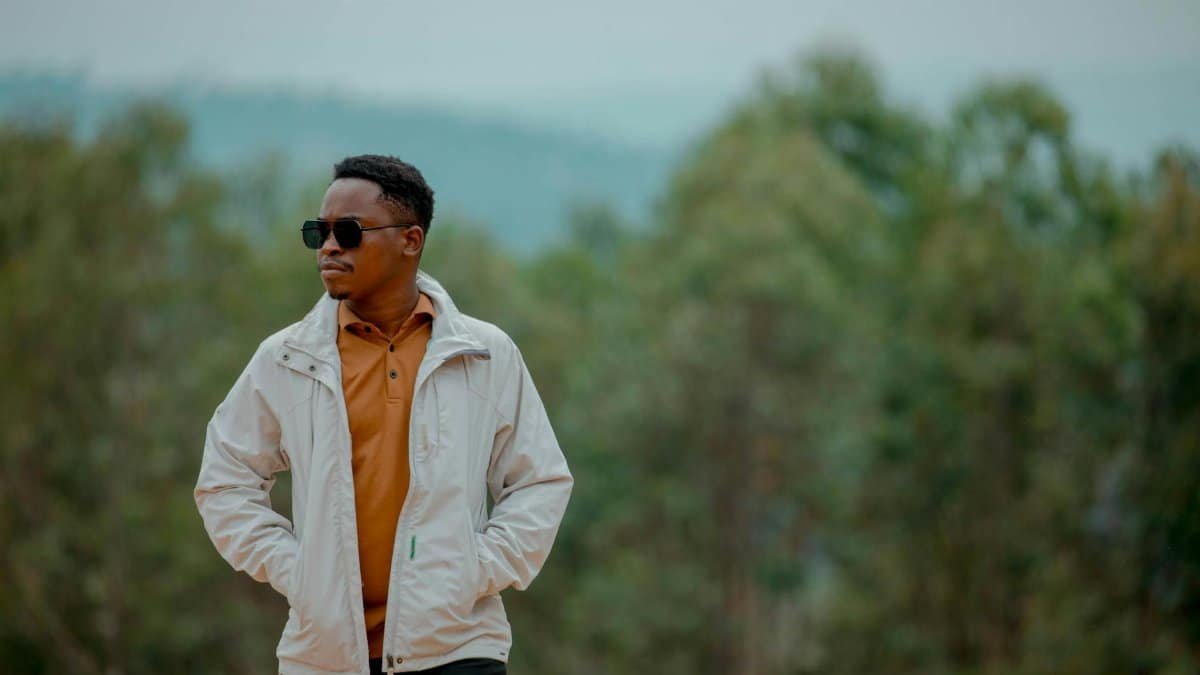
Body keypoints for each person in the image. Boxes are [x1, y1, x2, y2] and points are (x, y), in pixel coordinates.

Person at [194, 154, 573, 675]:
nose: (329, 246)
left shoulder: (485, 354)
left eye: (348, 231)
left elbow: (540, 481)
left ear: (410, 241)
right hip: (324, 659)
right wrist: (297, 569)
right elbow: (224, 481)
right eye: (318, 232)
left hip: (458, 651)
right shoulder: (286, 359)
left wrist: (474, 570)